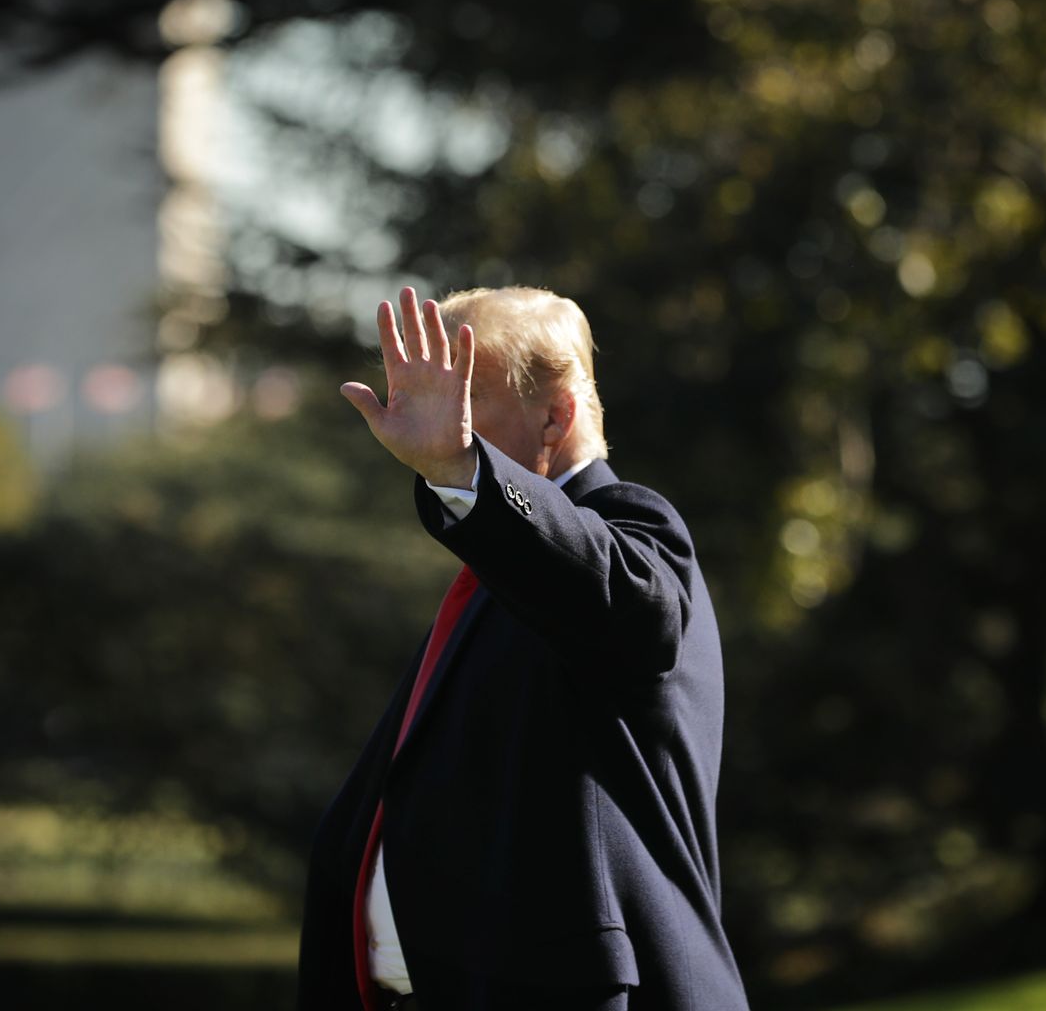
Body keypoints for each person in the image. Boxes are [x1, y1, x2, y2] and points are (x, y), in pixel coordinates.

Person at [297, 286, 750, 1011]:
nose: (424, 416)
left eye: (460, 395)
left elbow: (630, 608)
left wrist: (461, 471)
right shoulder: (497, 574)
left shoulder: (631, 528)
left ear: (557, 414)